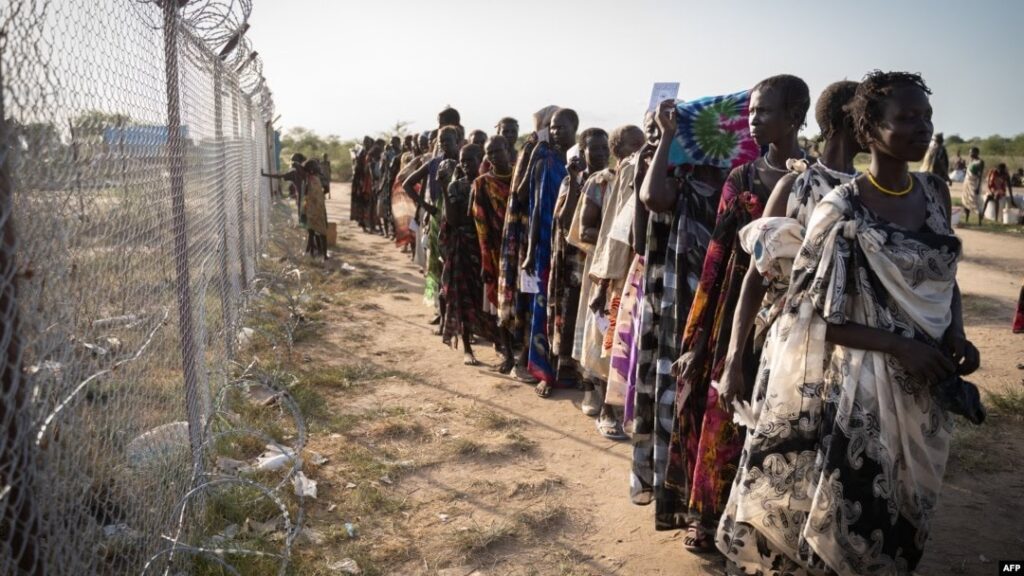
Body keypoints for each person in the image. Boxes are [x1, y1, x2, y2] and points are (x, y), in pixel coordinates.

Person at [717, 70, 981, 576]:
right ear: (869, 131)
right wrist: (900, 347)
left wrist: (956, 333)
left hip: (925, 386)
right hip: (861, 387)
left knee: (909, 513)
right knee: (855, 517)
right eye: (906, 118)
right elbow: (810, 314)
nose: (922, 127)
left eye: (926, 116)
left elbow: (945, 277)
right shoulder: (841, 208)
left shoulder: (935, 193)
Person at [670, 74, 811, 551]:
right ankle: (707, 517)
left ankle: (764, 523)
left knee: (781, 416)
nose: (752, 119)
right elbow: (717, 256)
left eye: (764, 111)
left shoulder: (820, 180)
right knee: (724, 407)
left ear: (795, 116)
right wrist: (699, 334)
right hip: (740, 302)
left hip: (796, 313)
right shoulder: (742, 178)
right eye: (750, 110)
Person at [571, 124, 645, 439]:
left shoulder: (647, 176)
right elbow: (582, 230)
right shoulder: (601, 183)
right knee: (608, 339)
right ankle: (607, 409)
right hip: (609, 268)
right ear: (618, 152)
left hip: (636, 269)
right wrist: (610, 243)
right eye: (632, 147)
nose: (640, 151)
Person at [497, 105, 559, 383]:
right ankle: (521, 359)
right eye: (552, 125)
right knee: (528, 297)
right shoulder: (532, 149)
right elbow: (520, 192)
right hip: (527, 235)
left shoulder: (560, 152)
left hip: (548, 233)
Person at [522, 108, 577, 397]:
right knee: (544, 309)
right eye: (552, 128)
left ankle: (568, 369)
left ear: (575, 129)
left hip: (577, 249)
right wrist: (531, 250)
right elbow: (534, 206)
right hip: (546, 245)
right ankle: (545, 372)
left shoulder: (584, 160)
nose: (556, 132)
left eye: (562, 127)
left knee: (571, 312)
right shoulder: (545, 161)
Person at [549, 128, 609, 393]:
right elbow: (564, 220)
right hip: (576, 262)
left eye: (605, 148)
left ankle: (592, 377)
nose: (600, 154)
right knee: (572, 312)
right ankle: (572, 371)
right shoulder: (572, 181)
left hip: (602, 262)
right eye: (594, 148)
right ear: (582, 151)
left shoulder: (612, 180)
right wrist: (574, 180)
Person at [403, 126, 461, 322]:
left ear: (457, 141)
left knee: (457, 269)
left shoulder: (465, 162)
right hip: (438, 219)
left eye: (448, 140)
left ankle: (458, 317)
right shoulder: (434, 163)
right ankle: (441, 314)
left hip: (461, 220)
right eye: (441, 141)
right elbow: (407, 184)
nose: (444, 144)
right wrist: (427, 207)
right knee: (436, 267)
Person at [471, 136, 516, 371]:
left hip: (521, 250)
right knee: (501, 303)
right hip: (496, 252)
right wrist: (485, 259)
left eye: (497, 151)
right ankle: (507, 353)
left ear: (508, 150)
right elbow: (480, 223)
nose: (493, 157)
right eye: (489, 153)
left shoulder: (521, 177)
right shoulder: (481, 183)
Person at [438, 144, 485, 365]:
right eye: (463, 161)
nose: (466, 165)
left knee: (487, 297)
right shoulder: (456, 187)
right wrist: (445, 188)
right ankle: (467, 347)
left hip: (487, 247)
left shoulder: (488, 183)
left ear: (480, 159)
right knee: (463, 296)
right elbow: (454, 220)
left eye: (470, 160)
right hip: (464, 246)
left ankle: (500, 345)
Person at [303, 158, 329, 260]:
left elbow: (325, 190)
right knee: (319, 233)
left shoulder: (313, 179)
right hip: (315, 210)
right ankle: (318, 254)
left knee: (315, 233)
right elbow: (306, 193)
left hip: (316, 209)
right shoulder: (312, 179)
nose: (318, 167)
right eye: (316, 166)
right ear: (312, 169)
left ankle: (317, 253)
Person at [962, 146, 985, 223]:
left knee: (976, 202)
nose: (970, 154)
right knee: (966, 202)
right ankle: (966, 220)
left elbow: (980, 176)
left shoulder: (980, 162)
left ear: (977, 153)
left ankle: (979, 222)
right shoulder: (971, 161)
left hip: (974, 184)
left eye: (972, 152)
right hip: (967, 184)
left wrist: (978, 187)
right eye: (970, 152)